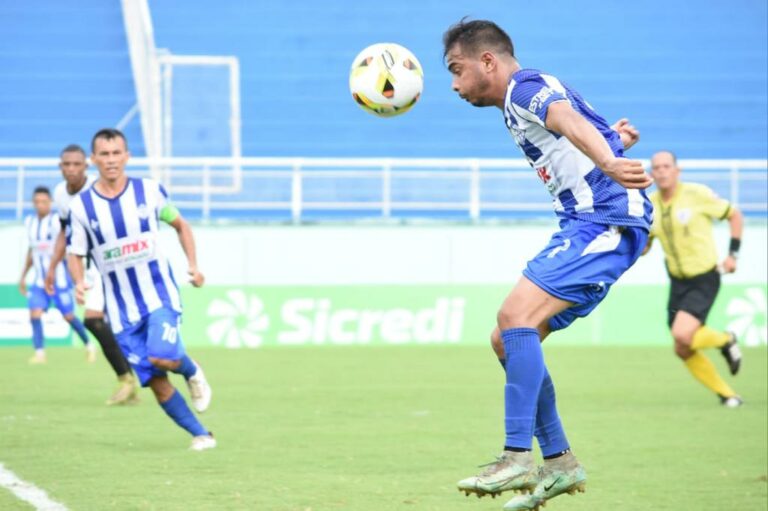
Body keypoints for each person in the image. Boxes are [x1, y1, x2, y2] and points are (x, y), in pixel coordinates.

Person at [443, 19, 653, 510]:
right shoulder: (522, 97)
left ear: (487, 61)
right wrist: (613, 143)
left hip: (605, 218)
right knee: (509, 338)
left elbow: (567, 119)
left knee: (514, 316)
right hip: (587, 221)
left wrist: (607, 160)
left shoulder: (523, 88)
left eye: (457, 70)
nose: (454, 84)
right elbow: (576, 129)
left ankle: (517, 455)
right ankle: (559, 462)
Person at [66, 128, 216, 450]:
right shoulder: (81, 208)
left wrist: (194, 265)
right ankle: (202, 435)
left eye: (116, 153)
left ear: (127, 156)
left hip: (158, 295)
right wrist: (79, 282)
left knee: (161, 357)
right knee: (156, 384)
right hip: (120, 312)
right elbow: (74, 252)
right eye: (104, 155)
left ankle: (192, 370)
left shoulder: (148, 192)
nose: (111, 160)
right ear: (94, 160)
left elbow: (180, 225)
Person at [43, 144, 139, 405]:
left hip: (113, 263)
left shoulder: (98, 191)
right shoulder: (60, 193)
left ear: (87, 166)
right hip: (89, 268)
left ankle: (160, 368)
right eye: (67, 164)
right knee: (95, 320)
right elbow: (65, 232)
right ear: (60, 167)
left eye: (77, 164)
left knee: (119, 322)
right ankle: (128, 380)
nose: (72, 169)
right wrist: (52, 267)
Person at [646, 151, 743, 407]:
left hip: (704, 277)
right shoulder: (650, 205)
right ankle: (727, 395)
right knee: (682, 347)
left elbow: (735, 215)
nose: (662, 171)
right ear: (651, 174)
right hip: (677, 282)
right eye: (656, 167)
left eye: (667, 166)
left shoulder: (697, 195)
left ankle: (726, 340)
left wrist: (733, 255)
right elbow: (645, 245)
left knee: (682, 334)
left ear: (677, 170)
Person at [19, 186, 95, 364]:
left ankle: (89, 344)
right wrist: (23, 275)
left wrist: (77, 279)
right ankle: (39, 353)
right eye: (37, 202)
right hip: (38, 281)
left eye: (44, 202)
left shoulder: (56, 222)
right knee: (35, 313)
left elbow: (66, 249)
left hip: (58, 280)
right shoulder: (29, 222)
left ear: (50, 203)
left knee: (68, 316)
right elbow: (32, 251)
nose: (40, 205)